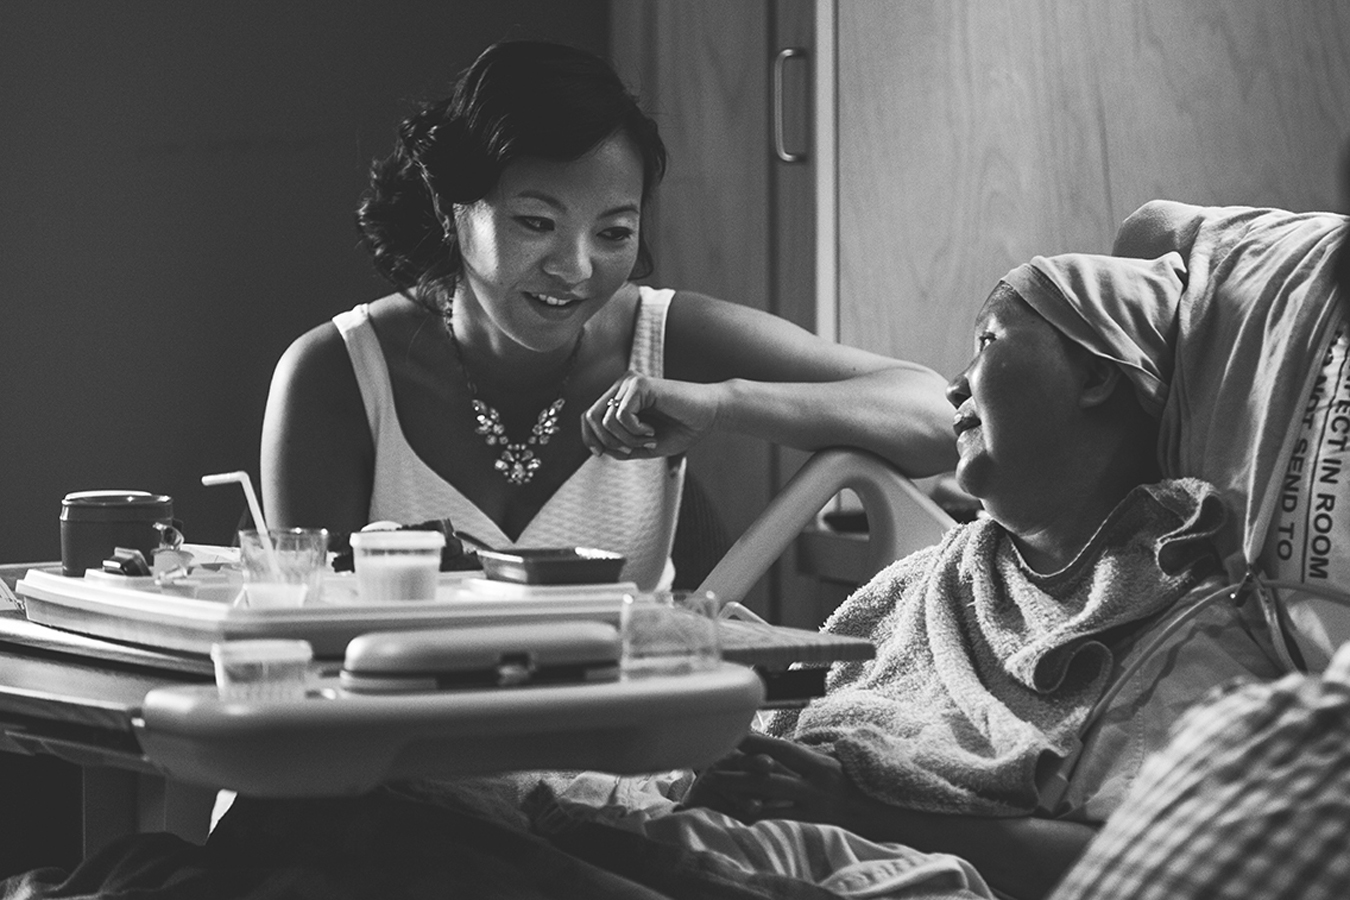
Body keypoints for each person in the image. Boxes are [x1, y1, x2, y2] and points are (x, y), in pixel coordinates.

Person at [525, 252, 1285, 900]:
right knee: (458, 806)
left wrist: (854, 807)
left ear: (1093, 375)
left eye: (987, 342)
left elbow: (1141, 867)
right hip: (733, 819)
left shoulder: (1183, 627)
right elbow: (825, 709)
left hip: (877, 864)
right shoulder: (945, 576)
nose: (955, 388)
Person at [259, 39, 955, 591]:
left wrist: (726, 404)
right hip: (408, 762)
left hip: (630, 763)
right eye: (536, 223)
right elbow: (307, 643)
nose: (577, 268)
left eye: (614, 232)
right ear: (453, 210)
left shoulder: (667, 337)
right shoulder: (336, 377)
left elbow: (940, 420)